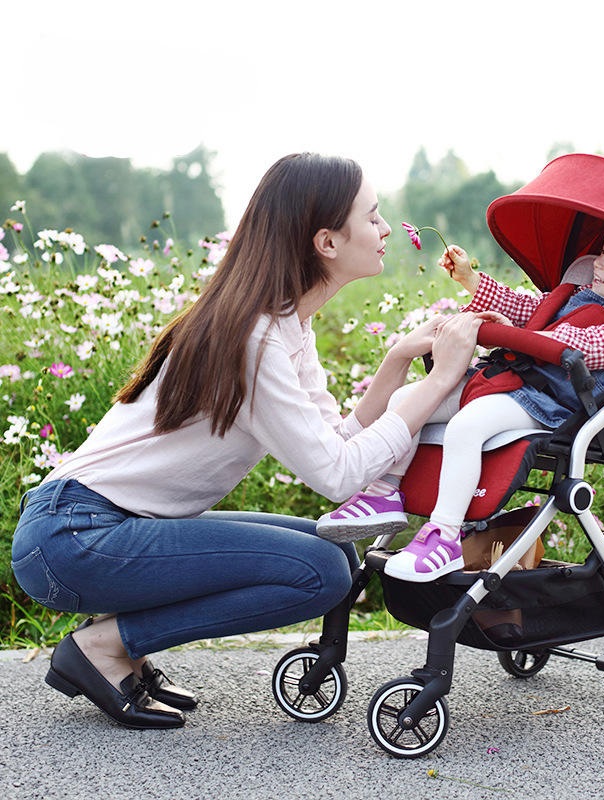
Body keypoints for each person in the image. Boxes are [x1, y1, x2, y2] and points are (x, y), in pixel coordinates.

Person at [11, 152, 482, 729]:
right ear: (327, 242)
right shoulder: (255, 340)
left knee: (334, 548)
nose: (386, 230)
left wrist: (396, 362)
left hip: (98, 528)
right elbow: (336, 476)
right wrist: (438, 382)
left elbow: (337, 442)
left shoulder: (284, 325)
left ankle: (118, 646)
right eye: (374, 216)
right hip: (74, 537)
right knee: (320, 574)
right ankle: (107, 647)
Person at [317, 224, 604, 582]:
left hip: (549, 404)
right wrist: (471, 280)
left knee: (468, 425)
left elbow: (582, 348)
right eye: (602, 252)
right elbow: (528, 308)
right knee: (406, 398)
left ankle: (445, 534)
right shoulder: (580, 296)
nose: (597, 261)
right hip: (513, 383)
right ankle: (386, 493)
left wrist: (518, 337)